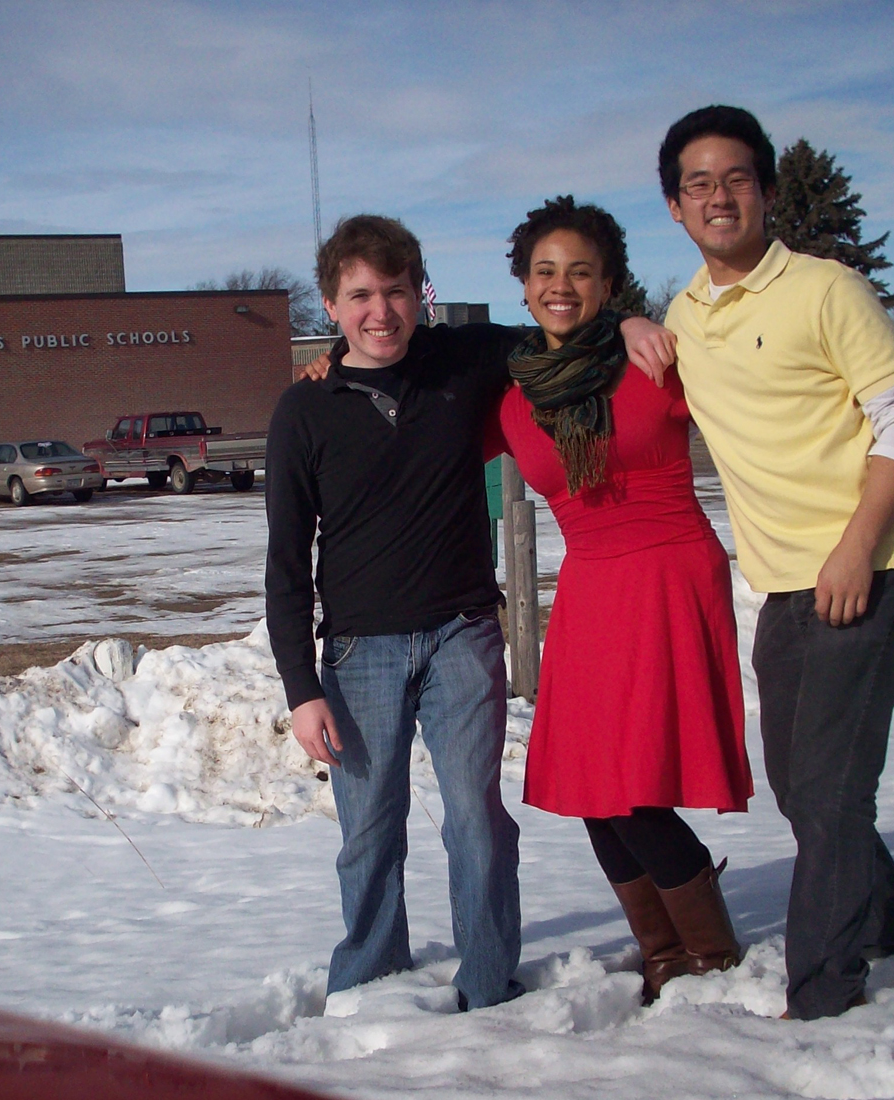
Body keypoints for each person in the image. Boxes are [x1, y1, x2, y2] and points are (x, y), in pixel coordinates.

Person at [266, 214, 673, 1011]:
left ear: (422, 295)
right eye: (359, 296)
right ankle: (367, 986)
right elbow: (286, 560)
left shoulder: (463, 361)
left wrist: (624, 318)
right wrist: (299, 685)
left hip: (463, 634)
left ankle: (489, 982)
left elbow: (561, 328)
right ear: (329, 304)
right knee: (368, 835)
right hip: (358, 655)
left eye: (395, 292)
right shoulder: (303, 411)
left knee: (477, 823)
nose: (379, 312)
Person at [655, 106, 894, 1020]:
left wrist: (858, 548)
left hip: (878, 563)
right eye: (698, 183)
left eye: (736, 178)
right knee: (801, 781)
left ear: (767, 191)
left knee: (825, 785)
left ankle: (825, 993)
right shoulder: (685, 314)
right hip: (786, 581)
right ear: (675, 206)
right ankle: (886, 918)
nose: (718, 196)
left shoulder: (826, 290)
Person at [485, 196, 752, 1003]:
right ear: (523, 284)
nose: (561, 286)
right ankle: (663, 950)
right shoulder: (512, 392)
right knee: (595, 791)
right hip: (592, 590)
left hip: (669, 574)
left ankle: (709, 947)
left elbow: (763, 408)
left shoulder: (658, 358)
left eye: (581, 271)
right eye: (545, 271)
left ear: (609, 283)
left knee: (633, 788)